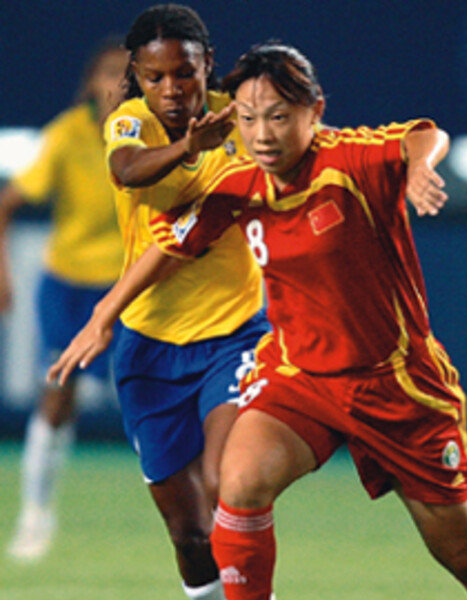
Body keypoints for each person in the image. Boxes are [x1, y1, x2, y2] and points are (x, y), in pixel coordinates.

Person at [49, 43, 467, 600]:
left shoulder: (349, 161)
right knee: (239, 485)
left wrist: (421, 166)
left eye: (278, 117)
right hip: (300, 378)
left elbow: (424, 134)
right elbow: (168, 247)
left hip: (395, 385)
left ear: (315, 111)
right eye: (248, 118)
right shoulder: (240, 185)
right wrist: (104, 314)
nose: (262, 135)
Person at [70, 6, 268, 600]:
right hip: (148, 347)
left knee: (227, 482)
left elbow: (309, 149)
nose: (171, 89)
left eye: (184, 73)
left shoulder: (245, 118)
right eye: (155, 77)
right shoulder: (129, 122)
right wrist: (188, 148)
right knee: (189, 533)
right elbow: (128, 171)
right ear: (136, 74)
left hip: (234, 334)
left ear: (207, 65)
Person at [0, 36, 128, 561]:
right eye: (109, 72)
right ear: (92, 83)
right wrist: (2, 274)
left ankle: (201, 517)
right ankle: (35, 514)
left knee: (159, 399)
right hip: (70, 286)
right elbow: (6, 203)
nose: (118, 83)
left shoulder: (156, 138)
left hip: (129, 290)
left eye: (128, 74)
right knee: (57, 397)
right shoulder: (66, 135)